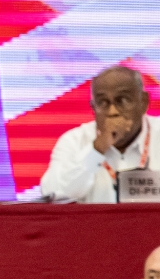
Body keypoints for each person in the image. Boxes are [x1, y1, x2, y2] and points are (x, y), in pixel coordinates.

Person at [41, 65, 159, 203]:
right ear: (93, 108)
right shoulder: (74, 141)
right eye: (103, 102)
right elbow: (52, 196)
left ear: (143, 102)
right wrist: (97, 149)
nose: (112, 111)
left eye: (123, 100)